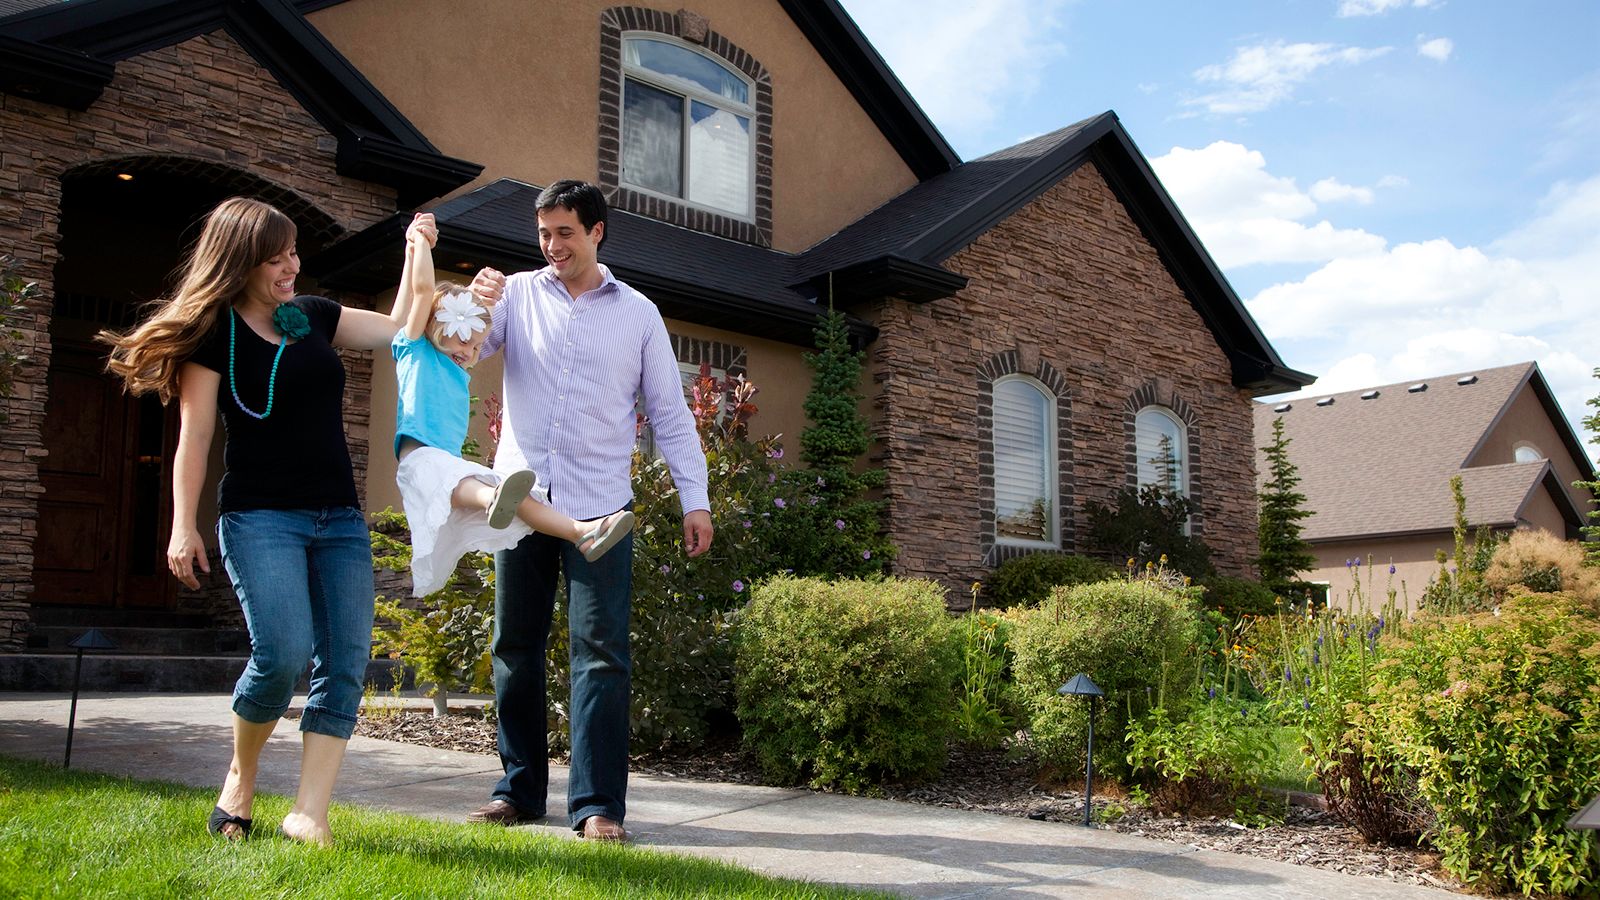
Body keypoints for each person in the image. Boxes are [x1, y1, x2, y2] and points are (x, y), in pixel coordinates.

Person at [100, 196, 438, 845]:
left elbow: (401, 326)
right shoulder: (212, 337)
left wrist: (415, 246)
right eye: (276, 256)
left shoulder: (310, 316)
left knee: (343, 662)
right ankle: (241, 777)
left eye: (292, 252)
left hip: (337, 516)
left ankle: (310, 813)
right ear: (243, 262)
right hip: (260, 517)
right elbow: (195, 439)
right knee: (281, 655)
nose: (292, 264)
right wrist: (181, 525)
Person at [466, 180, 712, 842]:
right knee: (514, 646)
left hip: (602, 508)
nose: (551, 245)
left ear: (597, 231)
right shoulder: (516, 295)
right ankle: (517, 791)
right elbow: (462, 347)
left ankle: (597, 804)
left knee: (601, 652)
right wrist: (470, 304)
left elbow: (668, 413)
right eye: (543, 233)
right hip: (520, 504)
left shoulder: (638, 314)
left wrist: (696, 499)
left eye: (564, 232)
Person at [388, 213, 634, 597]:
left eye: (474, 346)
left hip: (450, 467)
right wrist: (420, 243)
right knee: (493, 491)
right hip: (419, 460)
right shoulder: (414, 347)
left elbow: (478, 328)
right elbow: (423, 292)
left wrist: (486, 303)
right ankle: (492, 501)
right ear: (436, 331)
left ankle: (581, 531)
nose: (469, 353)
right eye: (460, 342)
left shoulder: (458, 369)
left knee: (521, 497)